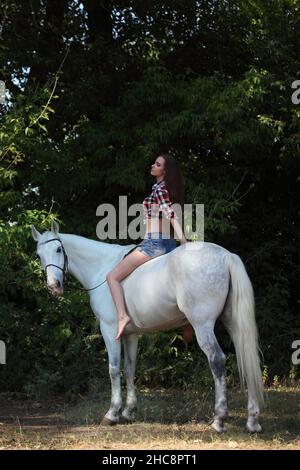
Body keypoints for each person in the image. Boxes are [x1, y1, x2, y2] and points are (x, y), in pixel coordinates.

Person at [106, 153, 193, 342]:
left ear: (165, 170)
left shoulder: (161, 189)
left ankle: (122, 316)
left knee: (112, 277)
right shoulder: (165, 188)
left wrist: (184, 241)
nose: (153, 165)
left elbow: (171, 215)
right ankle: (187, 321)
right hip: (167, 244)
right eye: (155, 163)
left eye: (158, 164)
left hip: (155, 245)